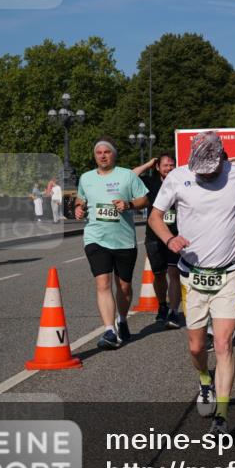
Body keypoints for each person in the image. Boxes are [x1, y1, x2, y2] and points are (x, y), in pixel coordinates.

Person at [149, 131, 235, 434]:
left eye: (210, 169)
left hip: (229, 271)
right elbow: (155, 217)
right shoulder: (177, 177)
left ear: (221, 158)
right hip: (192, 274)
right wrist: (169, 238)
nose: (205, 174)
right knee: (197, 346)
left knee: (223, 343)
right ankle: (205, 382)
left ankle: (221, 416)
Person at [74, 139, 150, 349]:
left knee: (124, 287)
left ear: (113, 155)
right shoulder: (86, 178)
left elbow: (144, 200)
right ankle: (109, 330)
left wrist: (129, 204)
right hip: (95, 237)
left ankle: (122, 319)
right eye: (99, 152)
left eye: (107, 152)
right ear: (95, 155)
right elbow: (80, 199)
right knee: (102, 283)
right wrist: (78, 208)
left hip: (124, 240)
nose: (103, 155)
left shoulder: (127, 176)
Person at [134, 153, 182, 328]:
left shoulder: (181, 182)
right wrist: (148, 164)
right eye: (165, 165)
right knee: (159, 274)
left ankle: (174, 312)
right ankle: (163, 305)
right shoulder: (151, 183)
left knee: (174, 273)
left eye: (172, 165)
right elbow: (130, 176)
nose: (169, 168)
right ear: (158, 167)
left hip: (176, 236)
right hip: (154, 237)